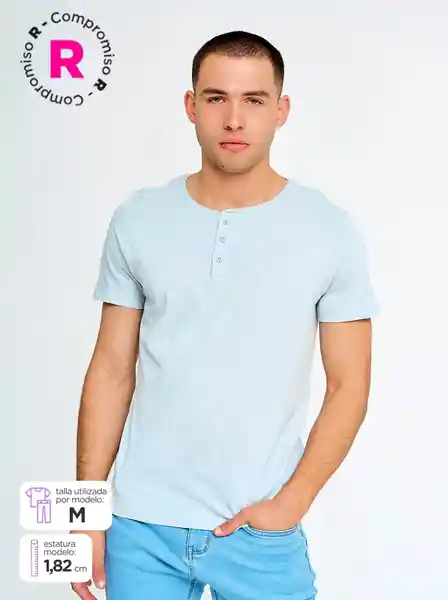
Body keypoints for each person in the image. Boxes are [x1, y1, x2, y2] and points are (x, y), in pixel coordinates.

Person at [71, 30, 380, 600]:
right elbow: (110, 371)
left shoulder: (327, 230)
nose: (234, 120)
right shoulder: (138, 219)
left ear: (281, 110)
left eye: (253, 100)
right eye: (216, 98)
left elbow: (349, 387)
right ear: (192, 106)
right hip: (139, 528)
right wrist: (85, 513)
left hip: (259, 530)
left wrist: (290, 505)